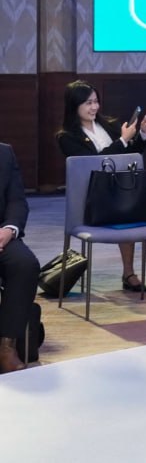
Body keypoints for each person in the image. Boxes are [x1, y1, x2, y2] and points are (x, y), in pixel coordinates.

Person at [56, 80, 146, 292]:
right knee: (130, 209)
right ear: (74, 105)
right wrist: (122, 141)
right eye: (88, 103)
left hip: (118, 192)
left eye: (96, 101)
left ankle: (139, 266)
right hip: (92, 197)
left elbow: (130, 154)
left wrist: (142, 135)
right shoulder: (67, 137)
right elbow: (93, 164)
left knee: (130, 205)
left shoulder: (108, 126)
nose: (94, 107)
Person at [0, 143, 38, 374]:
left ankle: (7, 346)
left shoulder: (4, 153)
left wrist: (9, 229)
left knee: (25, 265)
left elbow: (17, 201)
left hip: (1, 237)